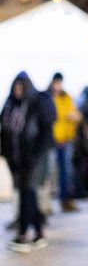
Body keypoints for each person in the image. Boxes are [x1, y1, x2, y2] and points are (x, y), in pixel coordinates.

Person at [2, 73, 54, 252]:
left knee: (27, 194)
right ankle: (39, 232)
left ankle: (23, 235)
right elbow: (5, 131)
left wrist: (38, 156)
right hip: (17, 159)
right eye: (15, 87)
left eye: (20, 87)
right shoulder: (9, 106)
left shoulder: (36, 105)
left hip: (34, 159)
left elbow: (45, 133)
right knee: (29, 194)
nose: (18, 91)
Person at [47, 72, 80, 209]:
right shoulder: (47, 97)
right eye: (56, 83)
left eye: (60, 83)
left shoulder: (66, 97)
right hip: (51, 140)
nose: (58, 86)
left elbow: (76, 115)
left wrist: (71, 117)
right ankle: (44, 204)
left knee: (66, 172)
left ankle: (65, 200)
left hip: (65, 140)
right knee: (47, 173)